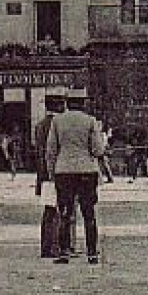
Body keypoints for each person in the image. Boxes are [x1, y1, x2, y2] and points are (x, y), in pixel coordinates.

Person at [46, 89, 107, 265]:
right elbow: (97, 150)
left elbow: (50, 150)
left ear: (67, 102)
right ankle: (92, 253)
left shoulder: (57, 121)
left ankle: (64, 252)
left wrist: (52, 172)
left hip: (63, 171)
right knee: (89, 213)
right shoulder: (90, 121)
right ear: (83, 103)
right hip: (87, 171)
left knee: (65, 212)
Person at [33, 90, 67, 259]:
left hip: (44, 174)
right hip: (57, 171)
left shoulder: (40, 125)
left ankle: (46, 246)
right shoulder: (59, 124)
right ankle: (55, 246)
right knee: (59, 210)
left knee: (49, 210)